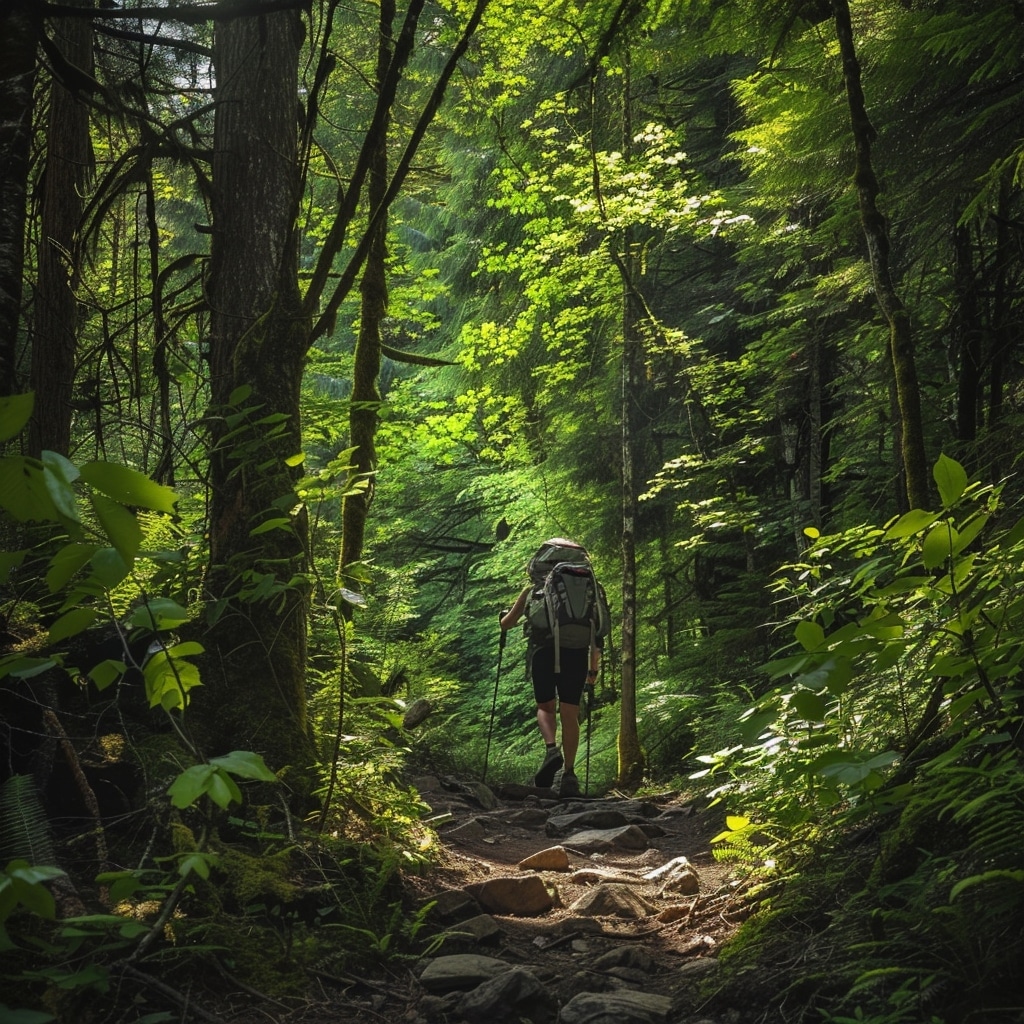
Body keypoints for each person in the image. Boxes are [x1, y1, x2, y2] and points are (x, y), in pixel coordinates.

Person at [500, 559, 602, 799]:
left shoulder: (534, 589)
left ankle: (551, 749)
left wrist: (503, 616)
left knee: (545, 707)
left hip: (543, 652)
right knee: (570, 712)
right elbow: (597, 630)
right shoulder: (591, 589)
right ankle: (569, 774)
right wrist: (593, 668)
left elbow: (507, 625)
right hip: (577, 654)